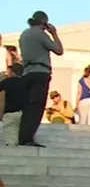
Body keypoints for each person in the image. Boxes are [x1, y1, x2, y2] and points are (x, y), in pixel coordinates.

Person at [18, 11, 64, 147]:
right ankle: (27, 137)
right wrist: (54, 33)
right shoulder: (40, 34)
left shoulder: (24, 34)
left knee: (28, 106)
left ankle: (23, 135)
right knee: (37, 106)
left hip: (27, 72)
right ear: (44, 22)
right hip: (40, 72)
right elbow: (59, 50)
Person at [0, 64, 26, 145]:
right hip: (24, 114)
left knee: (11, 141)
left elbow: (2, 98)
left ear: (13, 72)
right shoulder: (26, 83)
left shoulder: (6, 82)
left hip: (9, 113)